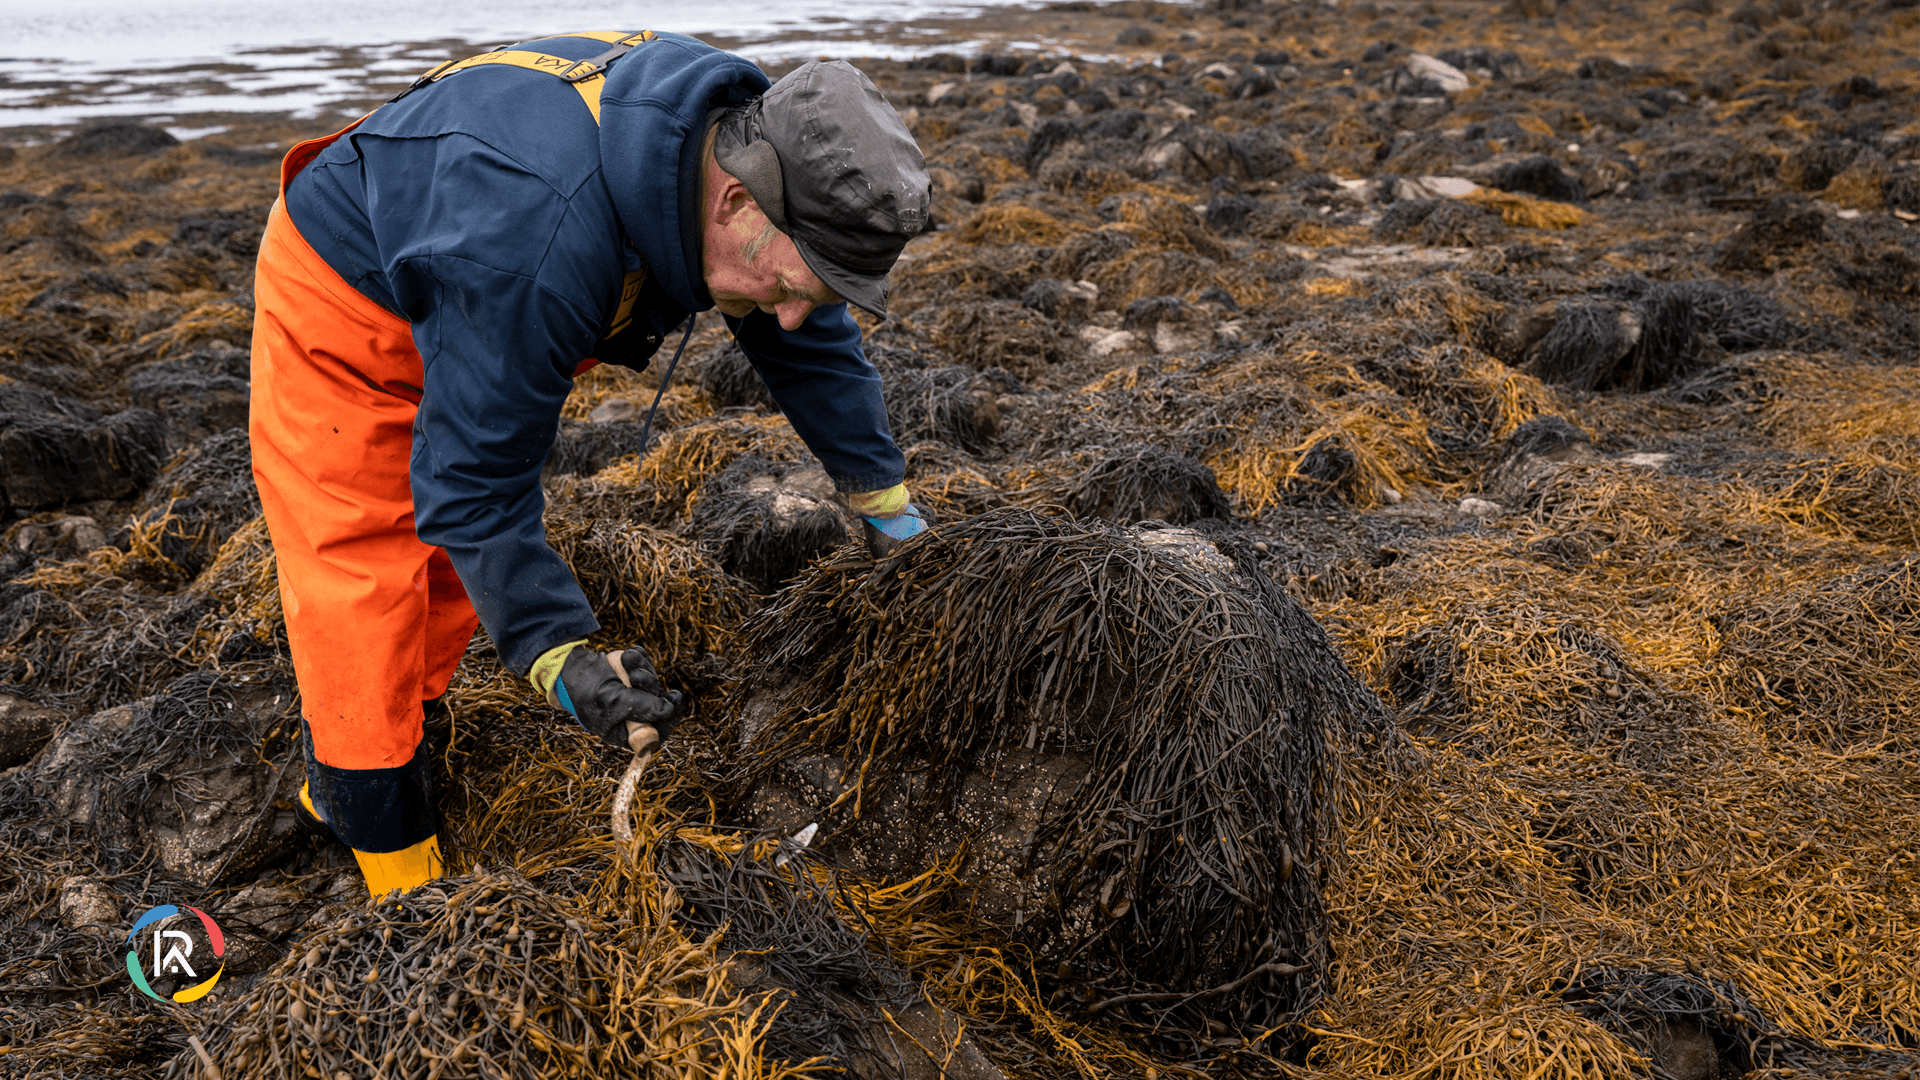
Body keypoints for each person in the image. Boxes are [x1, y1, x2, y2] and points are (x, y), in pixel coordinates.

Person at [249, 32, 932, 898]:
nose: (792, 319)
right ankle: (388, 855)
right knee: (367, 568)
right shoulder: (538, 244)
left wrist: (887, 505)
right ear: (732, 205)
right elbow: (473, 487)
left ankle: (394, 738)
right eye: (798, 287)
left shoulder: (748, 146)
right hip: (349, 287)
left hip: (482, 258)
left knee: (458, 578)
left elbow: (810, 344)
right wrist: (559, 655)